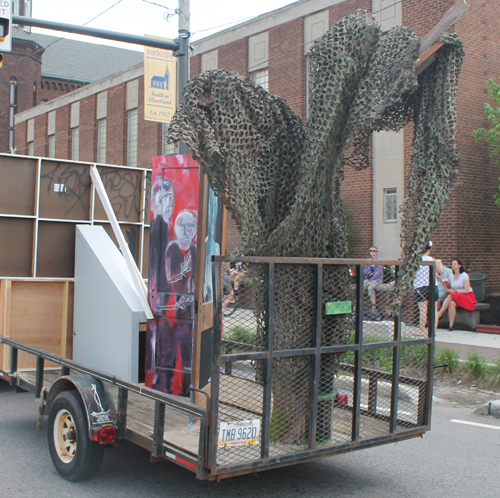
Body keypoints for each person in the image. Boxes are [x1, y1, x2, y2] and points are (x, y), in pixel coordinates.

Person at [437, 259, 477, 330]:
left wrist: (455, 291)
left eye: (455, 264)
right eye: (452, 264)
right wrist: (443, 280)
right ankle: (451, 325)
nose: (453, 265)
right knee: (452, 303)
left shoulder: (464, 275)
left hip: (467, 295)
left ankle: (439, 313)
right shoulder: (452, 276)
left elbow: (466, 290)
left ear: (459, 266)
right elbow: (450, 286)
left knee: (451, 295)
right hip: (457, 295)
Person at [413, 242, 439, 336]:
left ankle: (422, 331)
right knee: (434, 309)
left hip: (420, 287)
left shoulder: (416, 260)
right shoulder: (433, 260)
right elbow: (439, 271)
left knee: (423, 310)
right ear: (429, 250)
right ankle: (434, 331)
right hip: (433, 286)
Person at [364, 246, 383, 319]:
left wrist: (371, 281)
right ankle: (356, 305)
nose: (372, 252)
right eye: (371, 250)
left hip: (377, 279)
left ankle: (373, 306)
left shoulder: (379, 260)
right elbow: (365, 271)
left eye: (374, 251)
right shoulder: (368, 260)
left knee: (370, 288)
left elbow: (378, 273)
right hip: (368, 278)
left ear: (377, 252)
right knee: (361, 286)